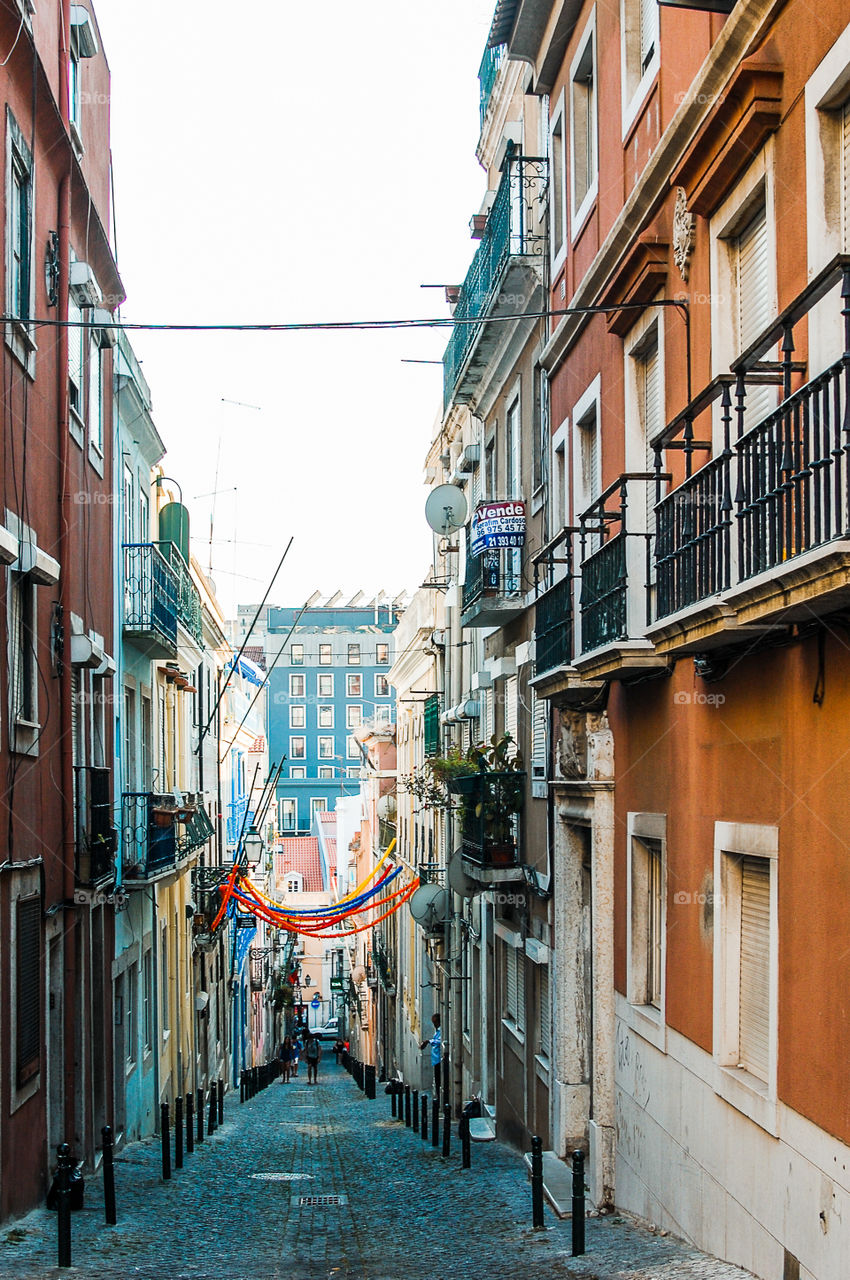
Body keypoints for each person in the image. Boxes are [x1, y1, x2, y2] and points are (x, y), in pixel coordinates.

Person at [420, 1012, 442, 1102]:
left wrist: (428, 1041)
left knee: (438, 1080)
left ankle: (439, 1099)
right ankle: (438, 1097)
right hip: (435, 1059)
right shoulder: (437, 1030)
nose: (434, 1025)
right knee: (437, 1080)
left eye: (435, 1022)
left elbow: (439, 1041)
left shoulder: (441, 1031)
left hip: (439, 1059)